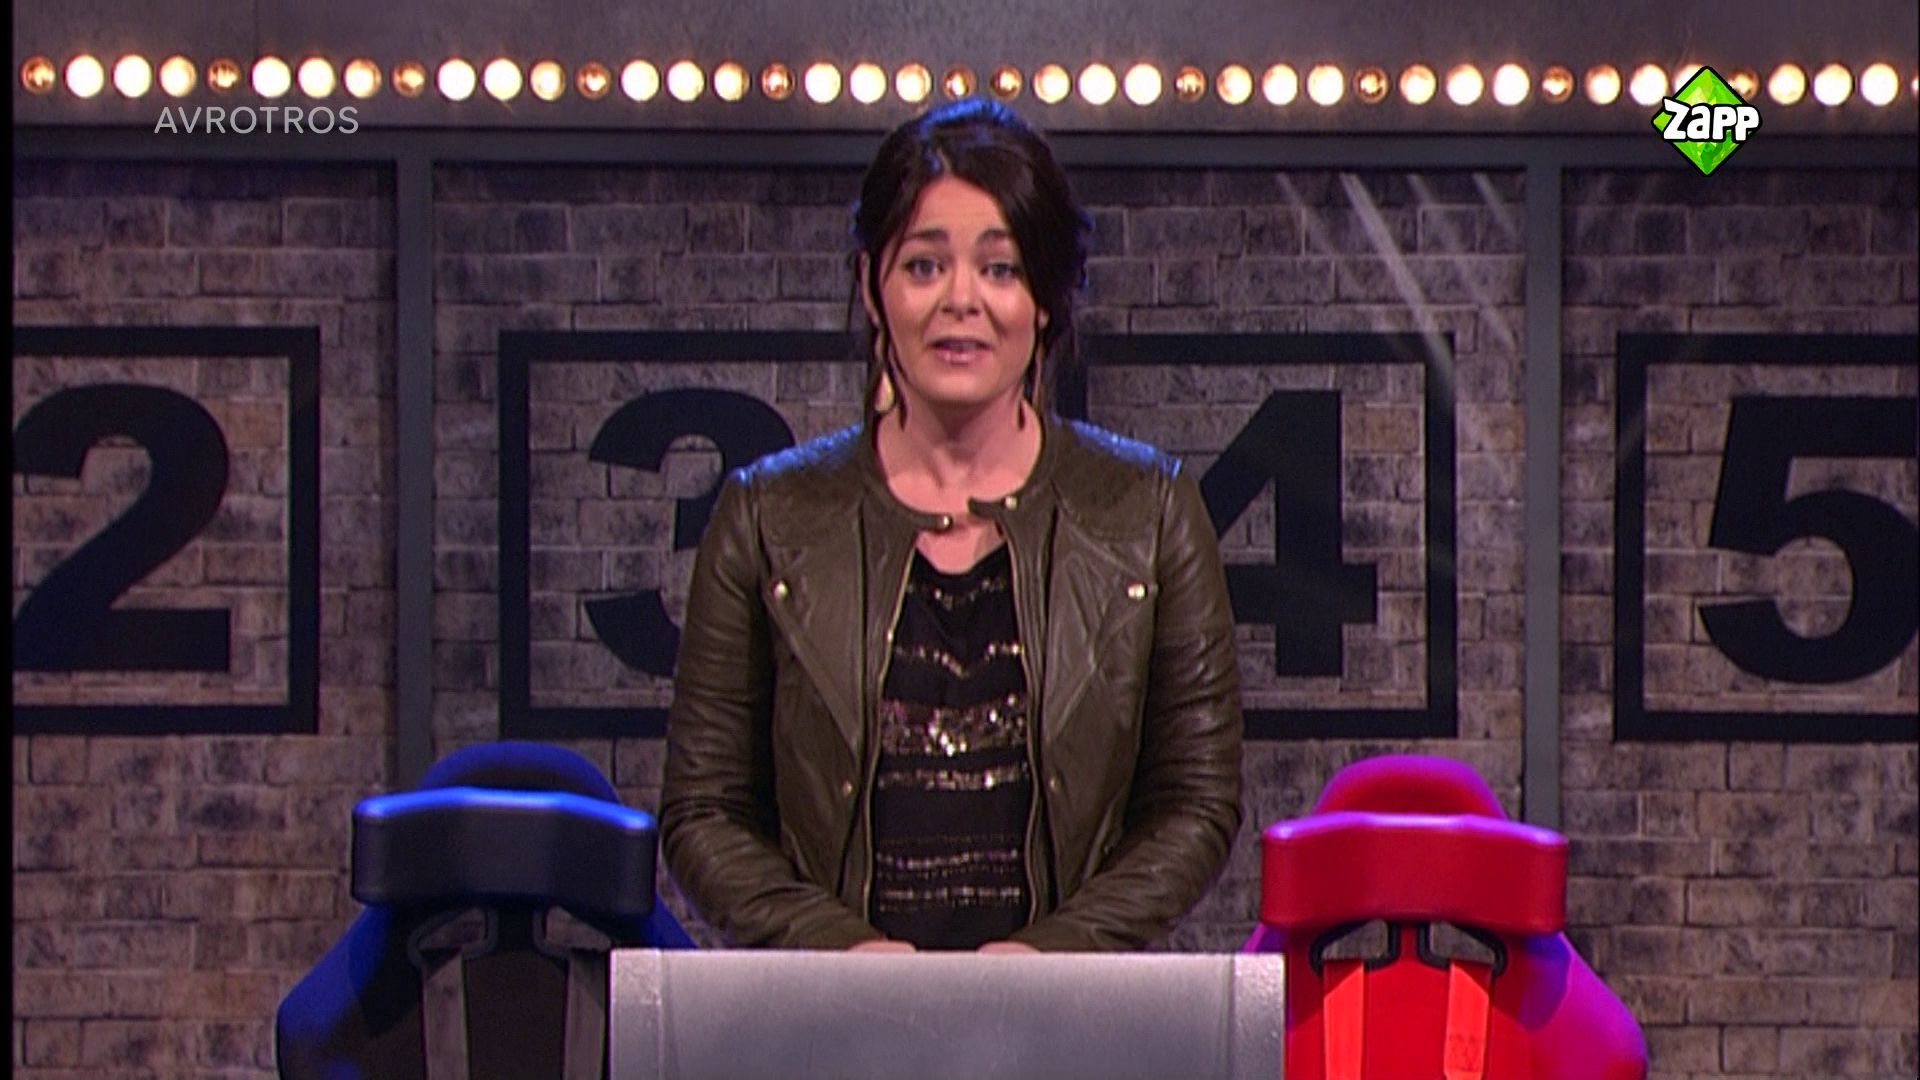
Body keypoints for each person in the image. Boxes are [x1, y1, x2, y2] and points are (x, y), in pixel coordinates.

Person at [659, 99, 1241, 952]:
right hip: (834, 1013)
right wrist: (841, 954)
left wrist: (1051, 956)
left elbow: (1196, 803)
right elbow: (703, 810)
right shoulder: (766, 515)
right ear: (873, 285)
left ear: (1047, 298)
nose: (961, 300)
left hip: (1064, 1009)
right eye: (925, 265)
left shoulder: (1151, 510)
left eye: (1001, 269)